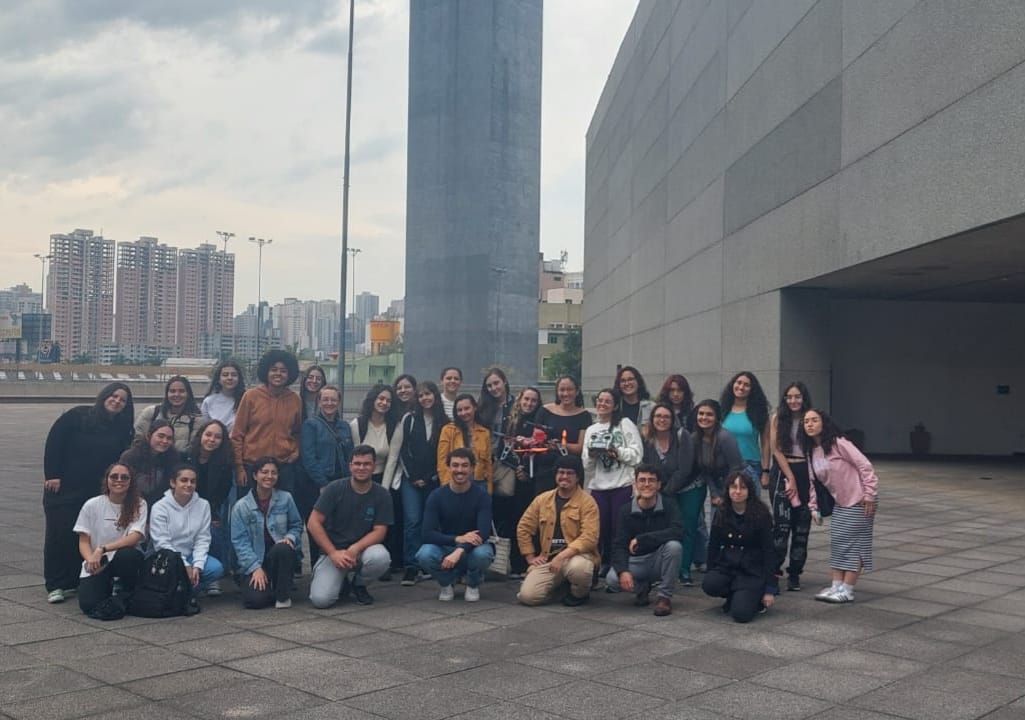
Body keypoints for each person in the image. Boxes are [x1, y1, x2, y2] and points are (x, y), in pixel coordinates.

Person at [43, 382, 135, 604]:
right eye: (114, 396)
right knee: (59, 535)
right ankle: (55, 584)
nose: (117, 401)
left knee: (85, 536)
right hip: (64, 489)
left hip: (94, 492)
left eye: (122, 400)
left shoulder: (122, 428)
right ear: (104, 396)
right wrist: (52, 474)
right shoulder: (78, 416)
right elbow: (54, 441)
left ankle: (75, 579)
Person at [802, 409, 879, 604]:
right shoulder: (811, 451)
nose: (809, 424)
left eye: (814, 420)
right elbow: (812, 482)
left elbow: (864, 465)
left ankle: (848, 589)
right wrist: (813, 507)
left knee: (855, 545)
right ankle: (836, 586)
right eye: (806, 421)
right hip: (841, 502)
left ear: (824, 423)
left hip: (860, 499)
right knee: (838, 544)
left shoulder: (839, 443)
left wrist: (870, 493)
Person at [307, 446, 393, 608]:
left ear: (374, 466)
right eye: (357, 463)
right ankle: (341, 582)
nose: (361, 468)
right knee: (321, 600)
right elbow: (313, 522)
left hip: (362, 551)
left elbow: (380, 531)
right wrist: (333, 553)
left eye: (366, 464)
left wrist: (355, 548)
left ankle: (359, 584)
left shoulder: (382, 494)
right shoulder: (334, 488)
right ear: (350, 466)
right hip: (333, 552)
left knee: (381, 557)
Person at [382, 381, 447, 586]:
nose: (425, 398)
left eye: (428, 394)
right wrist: (413, 477)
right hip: (410, 480)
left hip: (433, 480)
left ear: (435, 395)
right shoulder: (409, 419)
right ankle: (411, 566)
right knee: (412, 521)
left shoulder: (444, 421)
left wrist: (429, 477)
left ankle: (427, 563)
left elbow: (443, 454)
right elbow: (403, 450)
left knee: (431, 522)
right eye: (421, 395)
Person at [516, 455, 600, 607]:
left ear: (577, 477)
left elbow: (589, 537)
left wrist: (561, 557)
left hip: (576, 557)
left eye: (570, 473)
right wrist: (530, 556)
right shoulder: (542, 499)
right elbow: (524, 527)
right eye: (561, 472)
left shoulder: (588, 502)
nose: (564, 476)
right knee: (527, 597)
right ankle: (561, 589)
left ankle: (579, 594)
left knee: (579, 569)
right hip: (548, 559)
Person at [416, 448, 495, 602]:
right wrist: (457, 539)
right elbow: (426, 534)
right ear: (448, 467)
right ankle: (446, 583)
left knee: (484, 554)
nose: (460, 470)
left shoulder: (482, 496)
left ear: (472, 468)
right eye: (455, 465)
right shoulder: (436, 496)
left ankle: (472, 583)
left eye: (465, 465)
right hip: (447, 546)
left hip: (473, 548)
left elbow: (484, 533)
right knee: (424, 554)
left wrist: (460, 550)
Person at [582, 388, 643, 582]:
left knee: (619, 528)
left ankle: (620, 565)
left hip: (621, 484)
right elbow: (586, 464)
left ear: (615, 405)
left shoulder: (625, 424)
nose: (602, 404)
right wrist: (592, 454)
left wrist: (617, 452)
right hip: (599, 487)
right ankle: (602, 562)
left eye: (607, 401)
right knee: (599, 529)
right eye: (600, 400)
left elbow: (637, 455)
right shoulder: (592, 429)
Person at [702, 472, 778, 623]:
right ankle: (733, 595)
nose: (737, 491)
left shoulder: (761, 515)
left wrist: (770, 589)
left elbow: (769, 551)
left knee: (741, 615)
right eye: (733, 487)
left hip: (752, 571)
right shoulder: (722, 512)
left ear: (750, 491)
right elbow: (713, 545)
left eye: (742, 488)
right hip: (728, 566)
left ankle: (754, 599)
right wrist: (710, 572)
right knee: (710, 584)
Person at [74, 463, 147, 616]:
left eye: (124, 477)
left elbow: (135, 537)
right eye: (114, 476)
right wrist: (90, 560)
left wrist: (103, 549)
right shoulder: (92, 504)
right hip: (98, 561)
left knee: (129, 555)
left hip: (121, 558)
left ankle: (125, 587)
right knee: (88, 604)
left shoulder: (139, 504)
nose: (119, 480)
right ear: (106, 480)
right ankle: (107, 587)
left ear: (131, 481)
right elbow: (83, 540)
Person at [609, 465, 683, 616]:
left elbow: (678, 531)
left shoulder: (669, 504)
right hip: (636, 561)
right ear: (635, 484)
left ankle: (664, 597)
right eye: (642, 480)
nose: (647, 484)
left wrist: (642, 539)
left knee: (674, 547)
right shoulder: (625, 510)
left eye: (651, 480)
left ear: (659, 484)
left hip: (659, 559)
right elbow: (619, 545)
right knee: (612, 579)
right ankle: (642, 588)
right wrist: (623, 571)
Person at [685, 400, 744, 586]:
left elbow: (736, 468)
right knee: (718, 527)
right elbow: (705, 470)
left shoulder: (725, 437)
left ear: (717, 417)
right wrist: (714, 493)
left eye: (709, 414)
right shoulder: (694, 438)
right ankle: (718, 566)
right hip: (717, 484)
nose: (704, 417)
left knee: (739, 526)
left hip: (739, 483)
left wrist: (728, 495)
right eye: (701, 413)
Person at [230, 457, 302, 609]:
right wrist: (255, 568)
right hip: (254, 559)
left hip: (279, 555)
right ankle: (271, 586)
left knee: (283, 548)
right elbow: (239, 542)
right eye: (264, 472)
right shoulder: (241, 506)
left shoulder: (286, 498)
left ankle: (282, 595)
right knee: (255, 601)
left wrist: (290, 538)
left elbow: (296, 525)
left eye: (273, 473)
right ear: (255, 475)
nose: (269, 476)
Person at [231, 349, 303, 493]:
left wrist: (296, 451)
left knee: (281, 507)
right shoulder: (251, 396)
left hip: (282, 468)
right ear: (266, 372)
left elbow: (297, 432)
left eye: (283, 370)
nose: (278, 374)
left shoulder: (295, 399)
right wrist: (239, 467)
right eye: (274, 369)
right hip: (252, 467)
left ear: (289, 374)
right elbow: (237, 435)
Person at [149, 464, 224, 601]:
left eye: (192, 481)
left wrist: (197, 566)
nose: (189, 485)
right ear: (173, 483)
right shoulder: (159, 507)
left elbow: (203, 538)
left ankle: (185, 592)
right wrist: (185, 565)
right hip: (166, 558)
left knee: (216, 568)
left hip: (190, 555)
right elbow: (162, 543)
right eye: (184, 480)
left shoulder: (203, 505)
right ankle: (179, 592)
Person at [299, 385, 353, 571]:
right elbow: (308, 457)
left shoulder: (344, 426)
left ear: (339, 402)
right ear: (319, 402)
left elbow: (350, 455)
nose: (329, 403)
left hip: (342, 482)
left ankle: (341, 565)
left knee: (340, 525)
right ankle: (318, 568)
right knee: (318, 526)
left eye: (333, 400)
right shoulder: (310, 425)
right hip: (318, 484)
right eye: (325, 399)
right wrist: (322, 483)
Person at [350, 383, 402, 577]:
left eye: (388, 400)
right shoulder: (357, 425)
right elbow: (356, 456)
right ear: (372, 400)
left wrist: (383, 491)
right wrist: (361, 482)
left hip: (384, 477)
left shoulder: (395, 426)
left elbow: (392, 459)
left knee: (383, 521)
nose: (384, 403)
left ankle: (384, 564)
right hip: (361, 476)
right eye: (381, 398)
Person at [769, 382, 814, 591]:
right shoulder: (778, 418)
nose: (793, 401)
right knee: (781, 526)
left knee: (802, 527)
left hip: (805, 471)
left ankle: (795, 572)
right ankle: (773, 570)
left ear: (804, 398)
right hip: (782, 472)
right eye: (789, 397)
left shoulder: (810, 418)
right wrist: (790, 477)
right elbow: (776, 450)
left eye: (797, 396)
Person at [643, 403, 695, 584]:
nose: (662, 420)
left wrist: (665, 492)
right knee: (662, 527)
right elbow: (646, 466)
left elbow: (684, 469)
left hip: (688, 488)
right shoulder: (648, 440)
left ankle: (684, 570)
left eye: (666, 417)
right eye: (658, 416)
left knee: (686, 526)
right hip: (662, 490)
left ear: (673, 420)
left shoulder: (682, 436)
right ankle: (662, 569)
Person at [184, 419, 233, 595]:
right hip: (185, 506)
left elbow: (222, 493)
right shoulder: (186, 456)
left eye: (217, 437)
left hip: (211, 508)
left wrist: (209, 514)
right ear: (201, 435)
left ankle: (213, 577)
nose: (212, 440)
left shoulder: (225, 463)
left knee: (214, 529)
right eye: (208, 434)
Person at [502, 386, 544, 577]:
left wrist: (527, 470)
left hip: (534, 479)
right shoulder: (510, 421)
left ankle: (533, 561)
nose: (529, 403)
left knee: (533, 521)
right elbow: (503, 450)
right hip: (513, 477)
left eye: (533, 400)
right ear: (520, 400)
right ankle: (516, 563)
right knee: (514, 520)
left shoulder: (540, 423)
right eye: (526, 399)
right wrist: (517, 468)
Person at [531, 376, 592, 496]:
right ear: (557, 391)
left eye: (569, 389)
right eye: (562, 390)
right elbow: (535, 440)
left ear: (577, 391)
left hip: (571, 472)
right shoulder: (544, 411)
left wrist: (561, 445)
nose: (565, 393)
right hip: (546, 469)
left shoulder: (584, 416)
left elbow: (580, 447)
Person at [719, 371, 771, 496]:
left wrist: (765, 471)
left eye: (746, 385)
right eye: (739, 382)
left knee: (752, 505)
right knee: (724, 505)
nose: (741, 387)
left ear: (752, 390)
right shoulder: (722, 410)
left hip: (751, 465)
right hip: (725, 465)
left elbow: (766, 443)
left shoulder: (760, 412)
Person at [120, 419, 181, 510]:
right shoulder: (131, 456)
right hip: (133, 504)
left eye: (169, 438)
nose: (165, 441)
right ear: (148, 436)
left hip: (160, 506)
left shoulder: (173, 458)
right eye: (161, 436)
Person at [437, 394, 493, 492]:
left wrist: (489, 489)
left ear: (475, 408)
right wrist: (446, 487)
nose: (463, 413)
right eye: (460, 410)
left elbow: (488, 463)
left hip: (479, 482)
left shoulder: (484, 432)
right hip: (455, 482)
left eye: (467, 408)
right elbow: (442, 461)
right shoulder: (448, 430)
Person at [135, 376, 203, 452]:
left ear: (188, 394)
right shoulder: (151, 412)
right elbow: (138, 438)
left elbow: (193, 448)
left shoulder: (197, 420)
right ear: (167, 393)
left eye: (181, 391)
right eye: (172, 391)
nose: (177, 394)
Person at [201, 359, 246, 432]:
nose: (230, 378)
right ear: (218, 379)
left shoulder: (245, 400)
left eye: (234, 375)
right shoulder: (209, 401)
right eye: (225, 375)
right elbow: (204, 428)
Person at [614, 365, 655, 429]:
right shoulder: (614, 407)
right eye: (623, 381)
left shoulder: (651, 407)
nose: (627, 383)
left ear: (638, 382)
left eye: (630, 379)